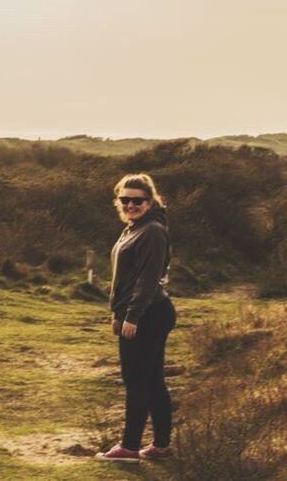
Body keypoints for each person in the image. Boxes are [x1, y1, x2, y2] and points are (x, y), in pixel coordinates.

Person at [95, 173, 176, 463]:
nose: (130, 204)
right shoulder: (134, 228)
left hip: (149, 314)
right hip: (143, 312)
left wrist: (132, 316)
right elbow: (125, 279)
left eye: (137, 200)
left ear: (150, 201)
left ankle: (129, 447)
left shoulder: (152, 230)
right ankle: (162, 445)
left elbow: (147, 279)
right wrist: (119, 314)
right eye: (125, 199)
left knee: (136, 380)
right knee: (152, 379)